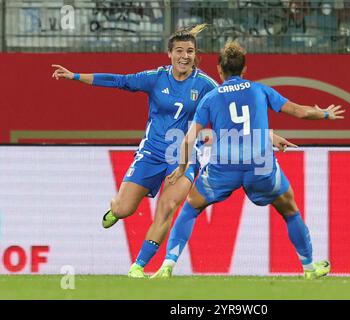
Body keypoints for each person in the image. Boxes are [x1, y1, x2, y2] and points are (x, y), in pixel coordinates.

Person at [51, 25, 293, 278]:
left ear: (195, 55)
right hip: (152, 152)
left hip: (184, 156)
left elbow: (236, 113)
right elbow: (120, 81)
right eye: (179, 50)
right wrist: (75, 76)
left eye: (190, 51)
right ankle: (114, 210)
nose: (184, 56)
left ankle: (138, 267)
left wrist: (265, 134)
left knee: (167, 208)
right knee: (124, 208)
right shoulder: (155, 78)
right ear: (169, 54)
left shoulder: (206, 85)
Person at [151, 41, 345, 279]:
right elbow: (300, 111)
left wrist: (181, 169)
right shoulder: (259, 90)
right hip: (260, 165)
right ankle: (309, 268)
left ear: (220, 71)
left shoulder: (210, 97)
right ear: (244, 70)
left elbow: (188, 140)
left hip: (224, 167)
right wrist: (325, 113)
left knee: (190, 208)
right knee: (290, 211)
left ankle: (167, 266)